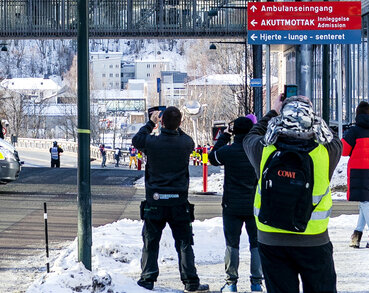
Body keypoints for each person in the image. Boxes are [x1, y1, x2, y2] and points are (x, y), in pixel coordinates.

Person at [246, 97, 336, 293]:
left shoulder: (262, 150)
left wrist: (273, 112)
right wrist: (310, 113)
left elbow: (251, 134)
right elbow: (331, 137)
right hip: (314, 238)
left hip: (271, 238)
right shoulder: (327, 152)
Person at [132, 105, 204, 291]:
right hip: (179, 202)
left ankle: (147, 279)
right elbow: (182, 136)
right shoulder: (186, 143)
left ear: (162, 122)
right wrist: (172, 123)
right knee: (184, 243)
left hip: (155, 201)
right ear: (180, 123)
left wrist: (151, 122)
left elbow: (136, 139)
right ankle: (191, 282)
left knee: (150, 242)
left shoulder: (151, 142)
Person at [208, 116, 263, 292]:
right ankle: (256, 282)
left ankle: (231, 283)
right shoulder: (257, 152)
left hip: (231, 205)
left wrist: (224, 137)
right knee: (256, 243)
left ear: (235, 132)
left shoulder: (228, 151)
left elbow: (212, 158)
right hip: (254, 205)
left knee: (232, 243)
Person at [339, 101, 369, 248]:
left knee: (364, 203)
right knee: (364, 204)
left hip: (359, 170)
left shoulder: (354, 131)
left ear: (357, 113)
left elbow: (344, 150)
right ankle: (356, 236)